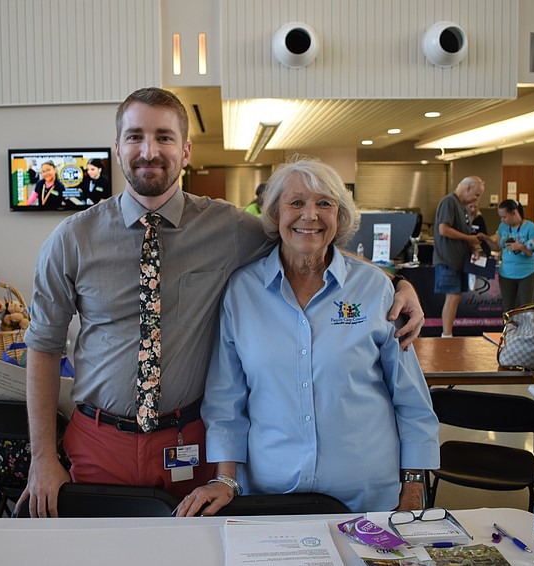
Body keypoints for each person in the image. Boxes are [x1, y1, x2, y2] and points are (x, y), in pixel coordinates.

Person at [20, 87, 425, 518]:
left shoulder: (228, 228)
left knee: (195, 548)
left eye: (164, 137)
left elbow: (307, 238)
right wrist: (42, 456)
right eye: (135, 136)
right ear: (117, 146)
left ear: (186, 150)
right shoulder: (72, 239)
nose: (149, 150)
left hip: (190, 442)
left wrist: (394, 280)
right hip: (101, 440)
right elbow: (44, 346)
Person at [175, 159, 439, 516]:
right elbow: (226, 400)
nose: (310, 215)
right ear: (275, 214)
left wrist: (414, 486)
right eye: (296, 202)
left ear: (340, 216)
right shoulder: (242, 291)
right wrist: (225, 478)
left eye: (324, 203)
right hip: (270, 495)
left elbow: (411, 400)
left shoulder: (375, 288)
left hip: (367, 497)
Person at [433, 176, 484, 337]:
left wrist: (474, 249)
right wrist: (469, 238)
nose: (476, 199)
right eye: (476, 194)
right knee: (452, 297)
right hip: (448, 260)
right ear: (467, 188)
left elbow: (465, 233)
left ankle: (448, 333)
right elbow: (444, 229)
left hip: (459, 261)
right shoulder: (449, 202)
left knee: (456, 297)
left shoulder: (463, 208)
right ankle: (446, 335)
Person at [477, 199, 534, 312]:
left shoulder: (531, 228)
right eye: (501, 217)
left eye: (504, 217)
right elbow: (497, 247)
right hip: (506, 274)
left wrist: (521, 247)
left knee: (526, 308)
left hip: (526, 273)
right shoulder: (503, 227)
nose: (502, 220)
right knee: (507, 308)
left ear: (514, 213)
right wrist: (486, 238)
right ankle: (509, 324)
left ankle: (525, 325)